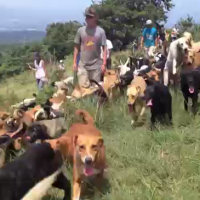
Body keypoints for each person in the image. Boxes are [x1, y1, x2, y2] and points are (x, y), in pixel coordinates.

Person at [73, 6, 107, 88]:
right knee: (83, 89)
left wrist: (104, 63)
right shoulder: (80, 31)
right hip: (83, 66)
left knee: (95, 90)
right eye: (86, 17)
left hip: (96, 66)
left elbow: (104, 48)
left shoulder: (101, 32)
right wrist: (74, 62)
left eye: (90, 17)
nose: (88, 19)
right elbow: (76, 47)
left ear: (95, 18)